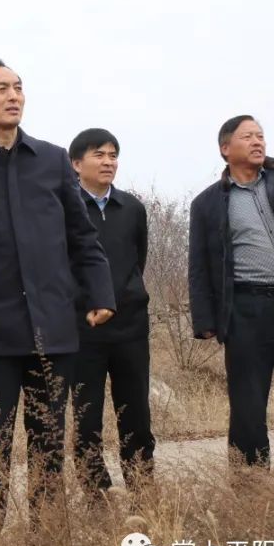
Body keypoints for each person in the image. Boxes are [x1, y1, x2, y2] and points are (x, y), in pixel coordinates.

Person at [0, 58, 114, 534]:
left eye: (18, 87)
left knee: (48, 439)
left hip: (53, 323)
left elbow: (82, 237)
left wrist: (99, 291)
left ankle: (49, 538)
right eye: (1, 89)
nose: (13, 96)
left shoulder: (52, 160)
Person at [188, 115, 274, 473]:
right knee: (248, 404)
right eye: (248, 136)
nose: (258, 141)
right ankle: (250, 482)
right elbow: (199, 265)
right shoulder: (207, 203)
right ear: (226, 148)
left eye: (261, 135)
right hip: (246, 310)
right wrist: (205, 320)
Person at [67, 129, 155, 500]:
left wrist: (125, 297)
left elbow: (138, 259)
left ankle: (142, 486)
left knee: (136, 412)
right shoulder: (63, 208)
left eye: (113, 155)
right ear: (76, 164)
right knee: (87, 416)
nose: (108, 162)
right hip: (82, 329)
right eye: (99, 155)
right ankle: (96, 493)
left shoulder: (131, 208)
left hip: (130, 327)